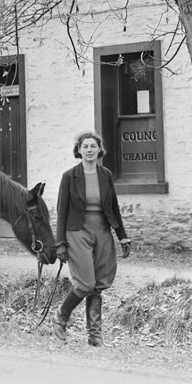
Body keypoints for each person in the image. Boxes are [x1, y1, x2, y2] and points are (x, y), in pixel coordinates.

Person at [52, 131, 131, 346]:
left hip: (102, 230)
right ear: (78, 150)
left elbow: (113, 208)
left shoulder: (105, 174)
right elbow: (62, 211)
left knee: (98, 284)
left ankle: (94, 335)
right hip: (77, 231)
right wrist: (60, 243)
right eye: (85, 146)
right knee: (86, 283)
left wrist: (122, 237)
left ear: (99, 150)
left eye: (93, 146)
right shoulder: (69, 176)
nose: (89, 150)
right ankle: (61, 316)